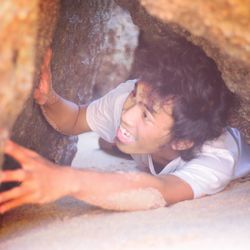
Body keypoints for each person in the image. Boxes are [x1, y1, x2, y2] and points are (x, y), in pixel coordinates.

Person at [0, 40, 250, 214]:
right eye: (134, 96)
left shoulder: (216, 158)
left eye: (146, 115)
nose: (128, 115)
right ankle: (114, 143)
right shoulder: (130, 99)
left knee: (116, 141)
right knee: (112, 136)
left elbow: (159, 190)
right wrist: (50, 98)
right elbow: (75, 120)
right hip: (150, 147)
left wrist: (66, 180)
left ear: (182, 142)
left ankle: (113, 144)